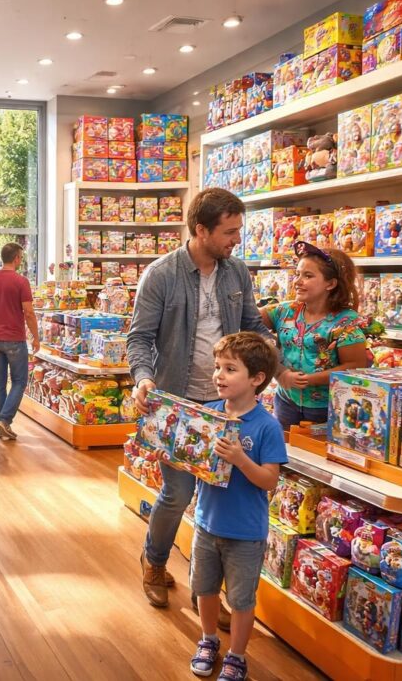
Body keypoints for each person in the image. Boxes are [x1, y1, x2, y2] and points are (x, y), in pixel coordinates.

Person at [127, 187, 280, 623]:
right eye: (229, 231)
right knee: (178, 493)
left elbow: (250, 326)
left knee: (217, 500)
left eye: (238, 230)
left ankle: (205, 591)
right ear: (201, 230)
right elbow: (139, 337)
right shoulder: (161, 274)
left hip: (226, 405)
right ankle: (155, 560)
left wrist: (274, 358)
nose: (237, 239)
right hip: (177, 403)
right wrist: (143, 378)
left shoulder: (237, 273)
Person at [188, 332, 286, 681]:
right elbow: (196, 459)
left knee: (242, 600)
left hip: (245, 532)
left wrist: (241, 459)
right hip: (206, 522)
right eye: (217, 367)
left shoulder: (267, 427)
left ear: (257, 379)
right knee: (204, 589)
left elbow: (270, 480)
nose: (219, 375)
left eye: (230, 369)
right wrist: (173, 453)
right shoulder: (210, 414)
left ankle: (237, 656)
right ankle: (208, 639)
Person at [260, 241, 370, 429]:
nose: (297, 281)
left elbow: (355, 366)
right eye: (297, 274)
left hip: (327, 407)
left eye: (308, 276)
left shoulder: (346, 322)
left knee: (316, 448)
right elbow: (249, 320)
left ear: (331, 283)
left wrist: (308, 379)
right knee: (283, 446)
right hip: (285, 401)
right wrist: (277, 368)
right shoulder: (284, 311)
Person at [0, 242, 39, 441]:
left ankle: (0, 425)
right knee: (19, 381)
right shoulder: (21, 282)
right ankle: (4, 420)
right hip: (14, 338)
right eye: (21, 257)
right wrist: (36, 336)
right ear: (16, 258)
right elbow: (28, 312)